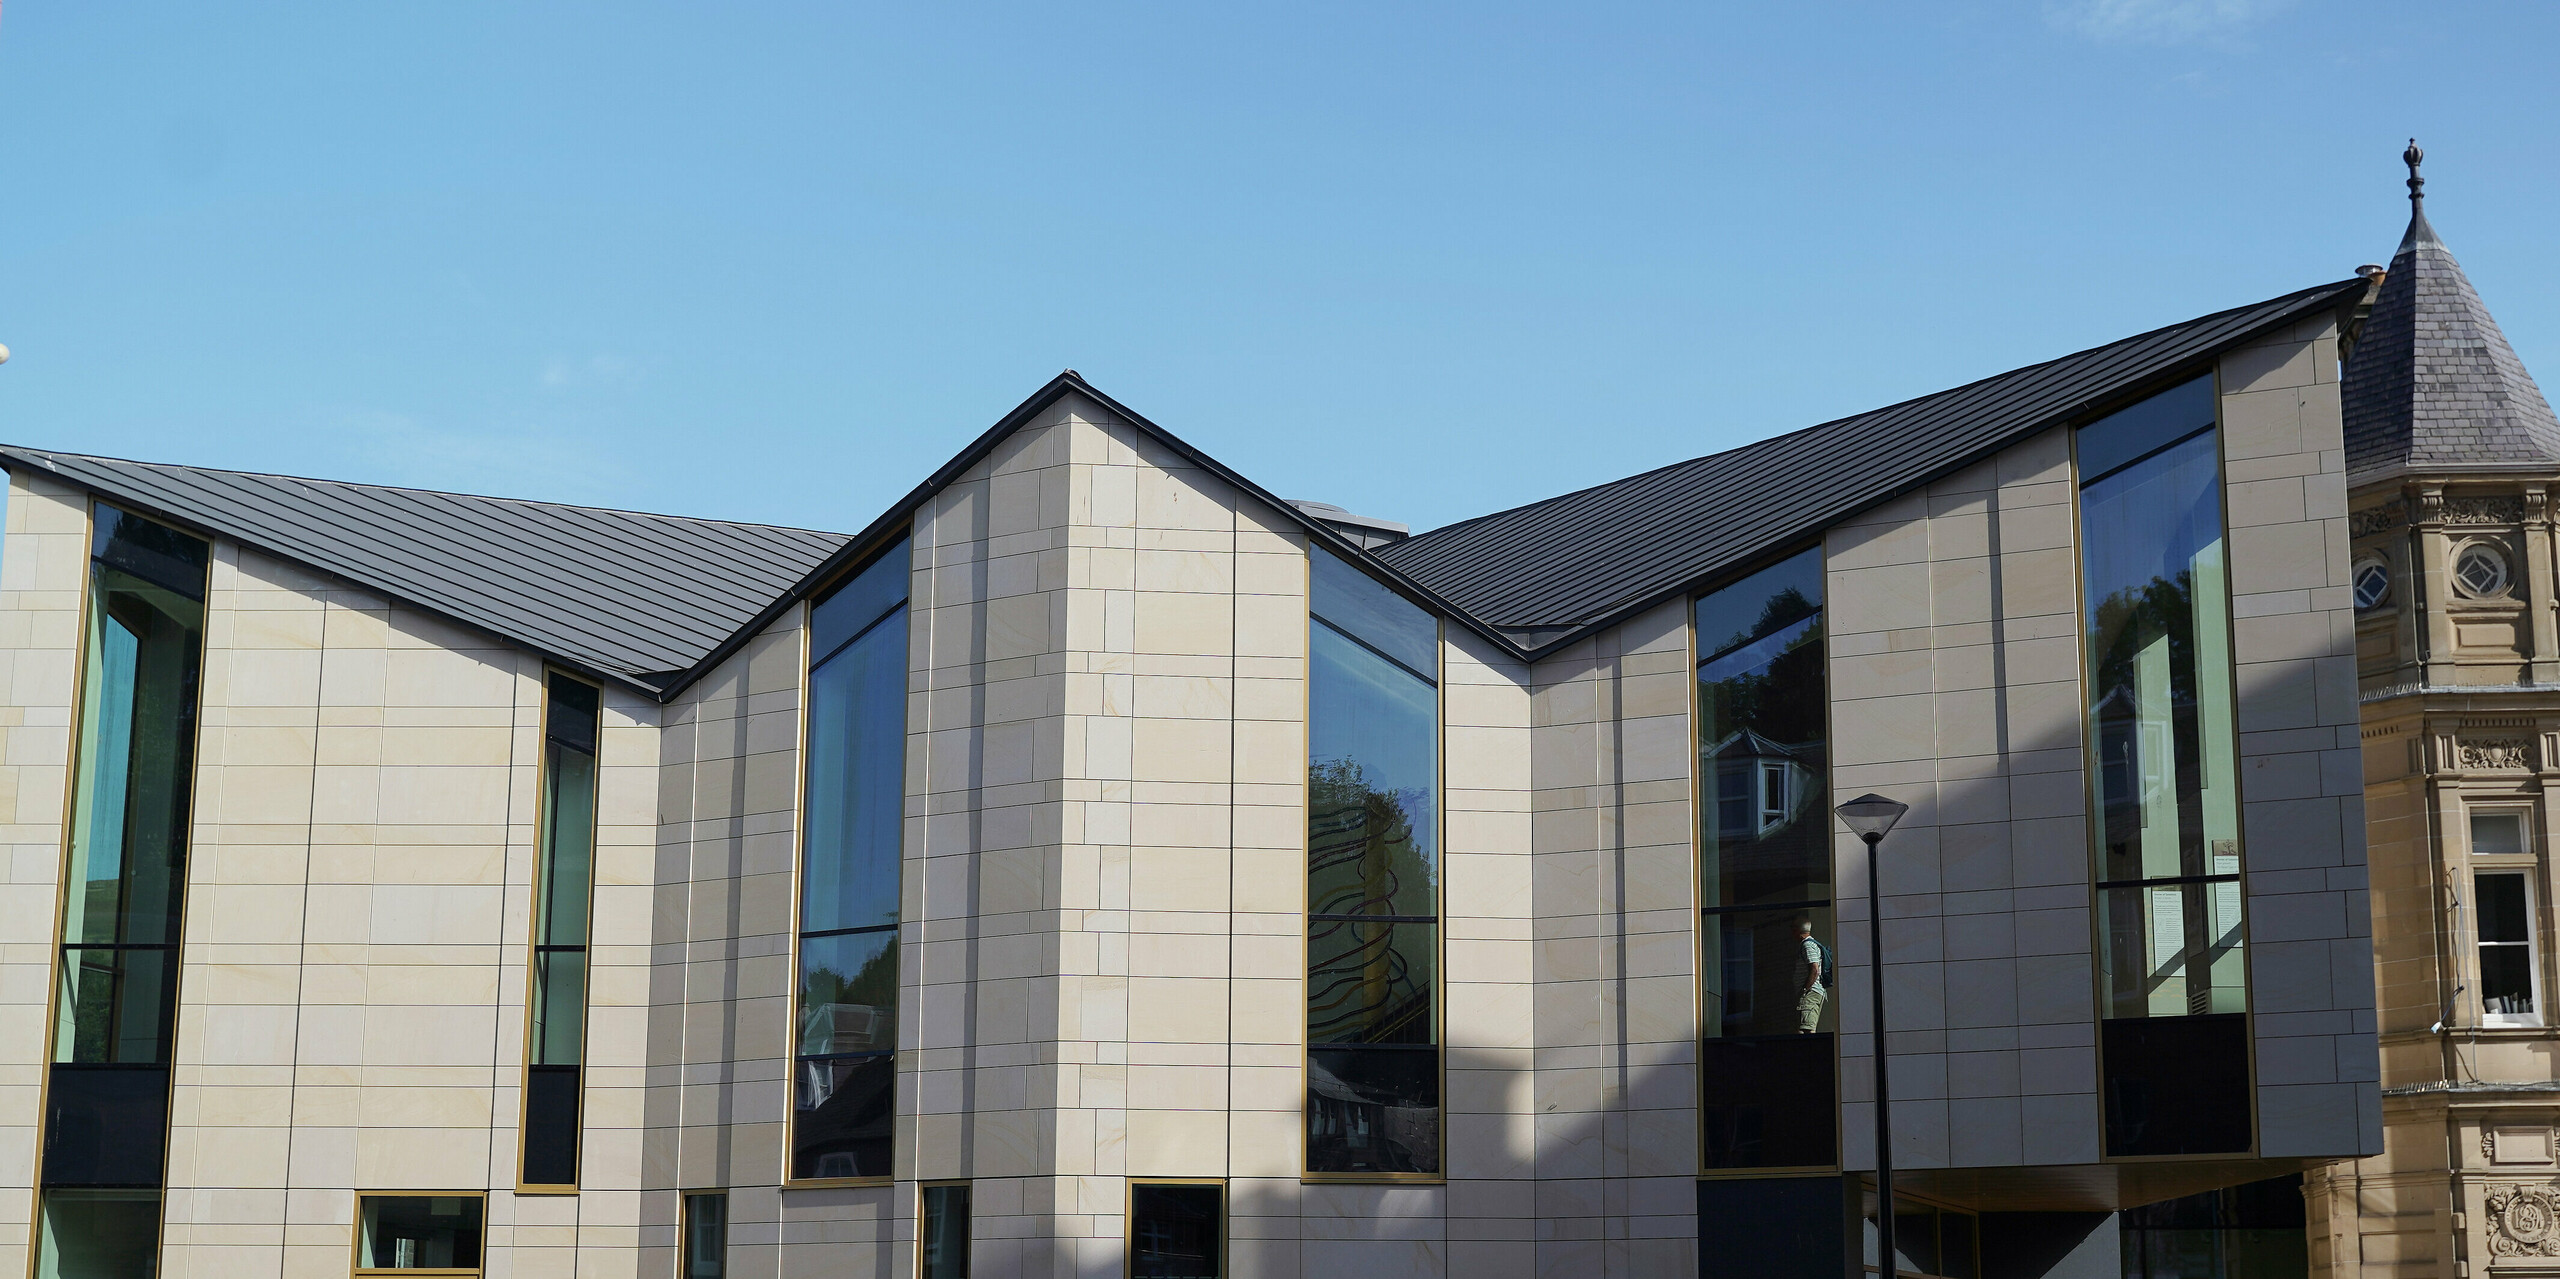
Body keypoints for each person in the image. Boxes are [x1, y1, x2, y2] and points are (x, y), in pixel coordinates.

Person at [1796, 917, 1826, 1033]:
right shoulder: (1809, 944)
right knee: (1805, 1028)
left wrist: (1805, 989)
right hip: (1812, 992)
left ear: (1798, 930)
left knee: (1806, 1030)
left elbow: (1814, 969)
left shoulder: (1807, 945)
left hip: (1811, 993)